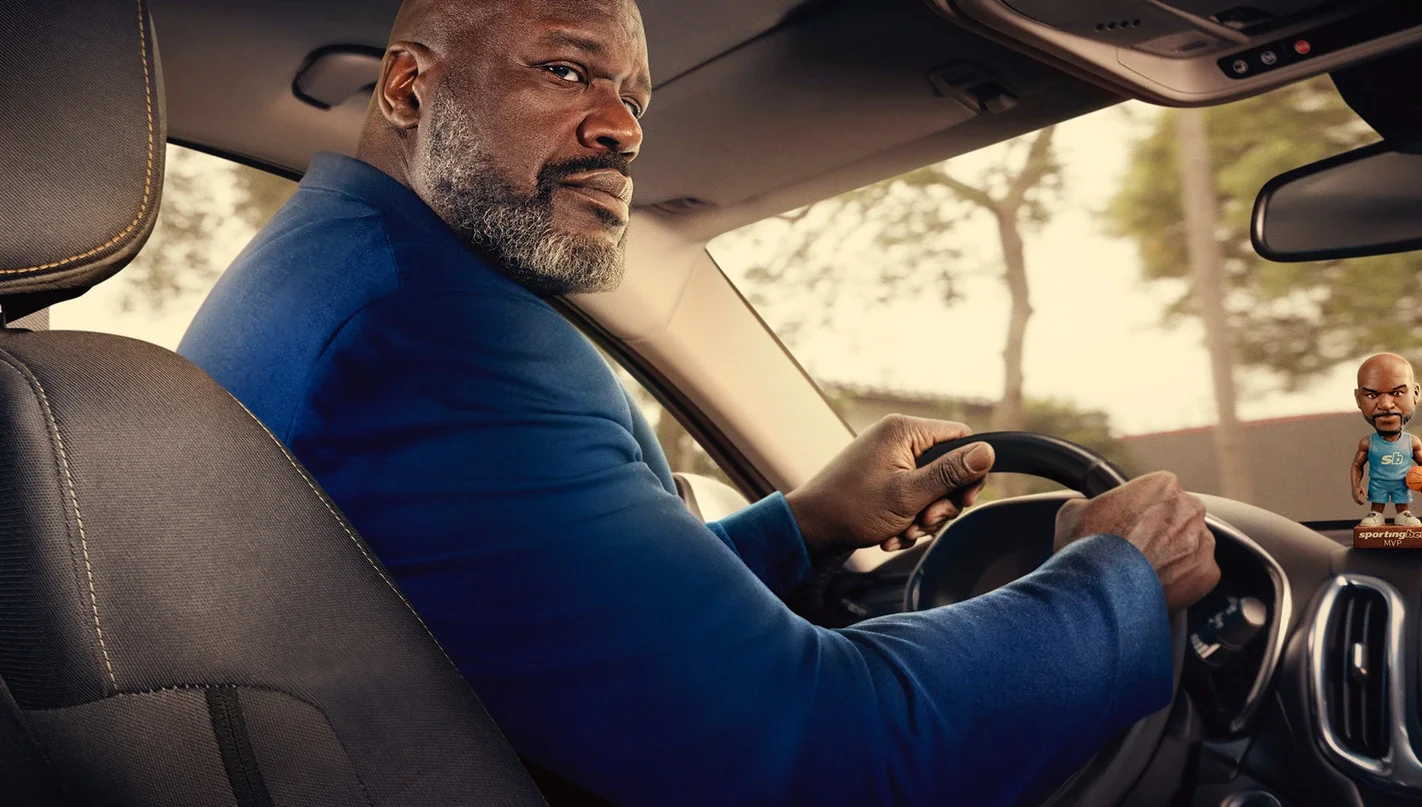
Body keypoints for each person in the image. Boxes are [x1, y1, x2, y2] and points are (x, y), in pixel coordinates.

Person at [178, 0, 1220, 803]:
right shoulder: (437, 334)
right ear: (409, 88)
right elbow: (825, 755)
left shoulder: (327, 269)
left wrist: (806, 523)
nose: (622, 131)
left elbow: (551, 618)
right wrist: (1118, 582)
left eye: (635, 99)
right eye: (565, 70)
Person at [1351, 352, 1422, 527]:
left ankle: (1403, 513)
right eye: (1371, 395)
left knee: (1402, 507)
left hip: (1402, 485)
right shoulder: (1368, 443)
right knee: (1377, 506)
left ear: (1415, 394)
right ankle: (1376, 513)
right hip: (1378, 484)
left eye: (1397, 393)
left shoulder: (1412, 443)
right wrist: (1355, 486)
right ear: (1358, 399)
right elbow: (1357, 465)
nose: (1385, 405)